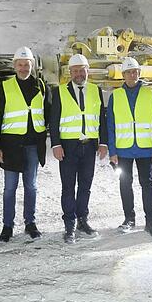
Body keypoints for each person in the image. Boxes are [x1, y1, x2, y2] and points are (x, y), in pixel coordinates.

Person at [0, 46, 50, 243]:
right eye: (20, 65)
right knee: (10, 188)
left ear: (32, 66)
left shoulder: (41, 86)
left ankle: (30, 223)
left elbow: (48, 113)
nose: (24, 68)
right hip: (11, 145)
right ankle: (7, 225)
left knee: (31, 186)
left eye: (27, 65)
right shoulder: (4, 87)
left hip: (33, 145)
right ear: (14, 66)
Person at [50, 54, 108, 244]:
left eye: (81, 70)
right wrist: (56, 144)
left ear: (87, 71)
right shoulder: (59, 92)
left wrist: (103, 143)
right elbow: (54, 119)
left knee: (85, 186)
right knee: (68, 187)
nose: (78, 74)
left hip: (89, 146)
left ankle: (83, 219)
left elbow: (101, 118)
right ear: (70, 73)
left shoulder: (95, 90)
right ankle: (69, 224)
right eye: (74, 71)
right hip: (68, 147)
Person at [107, 57, 152, 239]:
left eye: (135, 72)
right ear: (123, 75)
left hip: (145, 148)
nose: (133, 75)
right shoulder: (115, 96)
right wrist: (112, 151)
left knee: (147, 183)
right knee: (125, 184)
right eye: (129, 72)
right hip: (123, 148)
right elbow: (111, 125)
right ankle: (129, 218)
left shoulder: (149, 94)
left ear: (139, 73)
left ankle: (151, 220)